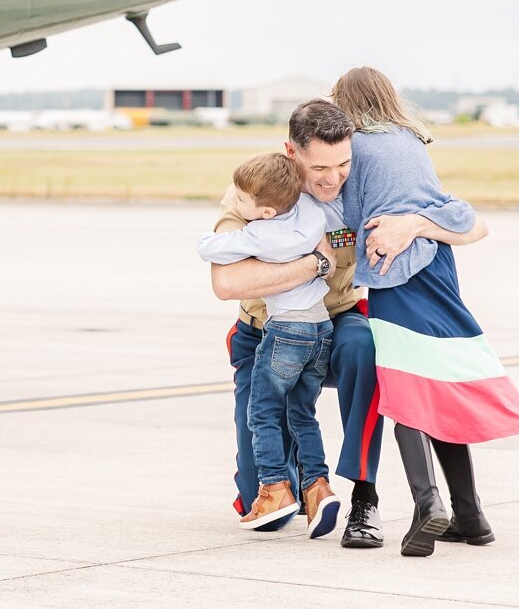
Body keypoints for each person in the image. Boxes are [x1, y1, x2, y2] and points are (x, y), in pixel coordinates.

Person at [209, 100, 487, 549]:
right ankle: (300, 481)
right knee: (265, 510)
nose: (332, 178)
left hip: (336, 321)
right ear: (292, 152)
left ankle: (364, 498)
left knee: (365, 348)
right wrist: (314, 263)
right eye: (319, 166)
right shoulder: (258, 188)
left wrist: (414, 224)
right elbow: (227, 282)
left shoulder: (363, 188)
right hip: (266, 334)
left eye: (343, 164)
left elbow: (475, 226)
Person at [331, 67, 519, 559]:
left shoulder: (356, 146)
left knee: (408, 393)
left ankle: (429, 506)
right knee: (438, 385)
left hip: (399, 274)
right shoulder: (410, 139)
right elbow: (452, 209)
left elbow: (348, 211)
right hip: (440, 267)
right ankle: (471, 517)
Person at [196, 153, 342, 537]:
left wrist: (225, 233)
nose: (236, 204)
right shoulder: (312, 213)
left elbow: (209, 248)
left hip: (284, 334)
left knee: (261, 411)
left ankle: (275, 488)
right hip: (321, 329)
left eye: (242, 200)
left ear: (265, 210)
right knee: (302, 414)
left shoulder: (260, 234)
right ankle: (317, 485)